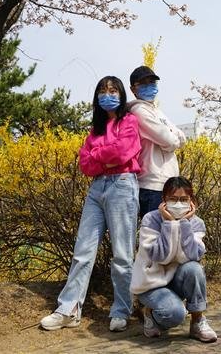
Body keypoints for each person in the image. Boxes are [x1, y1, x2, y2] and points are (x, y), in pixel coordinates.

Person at [40, 76, 141, 332]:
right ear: (96, 97)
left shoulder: (129, 122)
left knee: (122, 254)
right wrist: (103, 158)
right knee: (82, 251)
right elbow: (85, 165)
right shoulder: (94, 131)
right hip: (97, 187)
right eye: (103, 91)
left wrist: (100, 156)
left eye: (113, 90)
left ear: (121, 95)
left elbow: (123, 153)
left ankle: (121, 310)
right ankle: (69, 310)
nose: (108, 94)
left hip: (122, 185)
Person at [130, 176, 217, 343]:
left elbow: (194, 255)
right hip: (151, 284)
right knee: (175, 315)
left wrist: (184, 223)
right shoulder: (151, 219)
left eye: (184, 199)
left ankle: (198, 321)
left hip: (175, 280)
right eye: (173, 199)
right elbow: (160, 257)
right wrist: (170, 223)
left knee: (194, 268)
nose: (178, 204)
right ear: (163, 200)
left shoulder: (197, 223)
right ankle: (150, 314)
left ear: (191, 201)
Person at [127, 65, 187, 218]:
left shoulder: (156, 111)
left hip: (168, 184)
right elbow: (170, 141)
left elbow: (182, 137)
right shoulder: (138, 111)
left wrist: (172, 137)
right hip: (152, 184)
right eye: (144, 84)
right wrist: (172, 137)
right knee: (154, 236)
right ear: (133, 89)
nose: (150, 87)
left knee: (169, 235)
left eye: (152, 83)